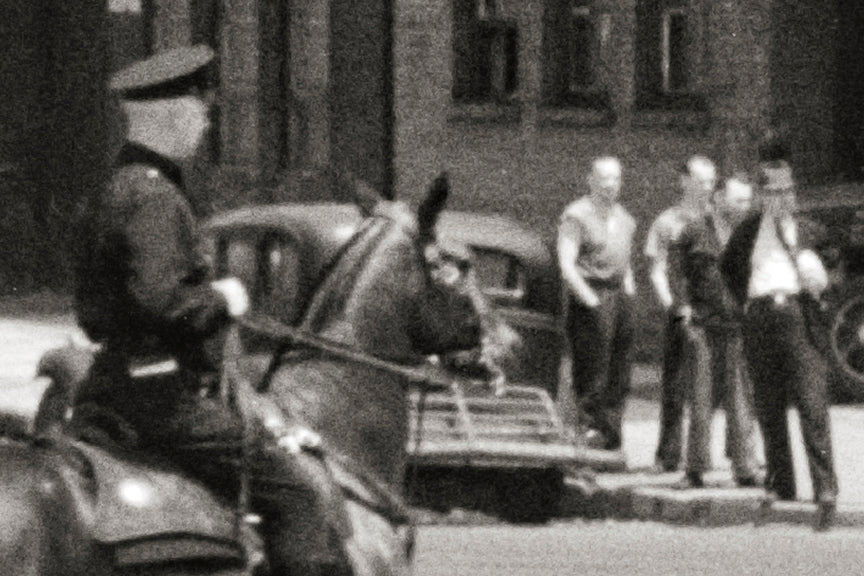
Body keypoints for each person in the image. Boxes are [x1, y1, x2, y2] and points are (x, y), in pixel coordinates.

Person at [71, 45, 349, 573]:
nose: (205, 123)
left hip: (110, 386)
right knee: (298, 494)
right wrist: (225, 297)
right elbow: (163, 303)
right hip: (162, 398)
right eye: (201, 110)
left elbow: (103, 309)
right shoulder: (153, 197)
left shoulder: (111, 189)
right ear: (174, 114)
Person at [721, 136, 838, 531]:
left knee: (811, 404)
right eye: (772, 192)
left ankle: (825, 488)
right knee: (769, 407)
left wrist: (819, 281)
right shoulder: (748, 232)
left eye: (786, 191)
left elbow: (836, 272)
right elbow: (729, 269)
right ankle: (780, 483)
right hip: (760, 318)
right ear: (761, 195)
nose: (780, 198)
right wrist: (748, 305)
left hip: (798, 316)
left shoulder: (811, 230)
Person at [668, 173, 762, 488]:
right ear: (719, 198)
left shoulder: (751, 235)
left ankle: (745, 469)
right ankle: (694, 470)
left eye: (748, 201)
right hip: (703, 327)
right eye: (738, 200)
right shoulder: (695, 230)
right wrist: (682, 310)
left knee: (741, 403)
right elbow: (676, 270)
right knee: (701, 400)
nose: (743, 207)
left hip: (738, 328)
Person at [558, 156, 636, 451]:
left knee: (620, 368)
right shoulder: (576, 215)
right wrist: (589, 301)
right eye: (603, 178)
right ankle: (588, 431)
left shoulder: (624, 217)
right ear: (590, 180)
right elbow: (567, 264)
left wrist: (629, 290)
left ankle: (611, 435)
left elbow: (625, 261)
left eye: (615, 178)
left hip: (619, 296)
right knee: (593, 368)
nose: (610, 185)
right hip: (591, 294)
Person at [644, 155, 717, 471]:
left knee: (717, 389)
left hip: (714, 314)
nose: (708, 188)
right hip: (680, 312)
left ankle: (718, 455)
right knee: (675, 387)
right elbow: (657, 270)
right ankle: (668, 454)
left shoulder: (718, 220)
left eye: (712, 182)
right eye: (702, 181)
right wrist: (671, 307)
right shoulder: (666, 222)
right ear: (684, 181)